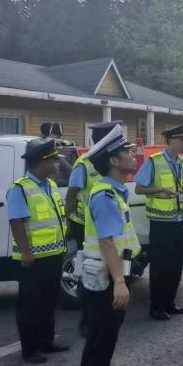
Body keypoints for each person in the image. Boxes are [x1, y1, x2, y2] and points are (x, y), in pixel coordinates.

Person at [79, 125, 143, 366]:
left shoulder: (114, 191)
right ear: (114, 161)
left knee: (106, 340)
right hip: (105, 280)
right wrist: (119, 282)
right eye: (128, 152)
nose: (133, 155)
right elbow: (106, 242)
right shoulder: (104, 195)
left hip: (113, 275)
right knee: (98, 344)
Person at [6, 139, 69, 364]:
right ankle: (30, 348)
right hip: (32, 259)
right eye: (54, 160)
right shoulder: (20, 189)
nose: (57, 164)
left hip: (53, 255)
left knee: (48, 301)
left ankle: (46, 340)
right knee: (30, 305)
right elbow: (17, 223)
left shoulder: (50, 185)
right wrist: (26, 252)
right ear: (42, 162)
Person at [66, 121, 124, 335]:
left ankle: (100, 313)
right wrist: (69, 223)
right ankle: (88, 319)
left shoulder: (110, 163)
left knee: (105, 271)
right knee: (90, 272)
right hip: (85, 225)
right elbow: (72, 195)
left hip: (104, 224)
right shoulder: (83, 164)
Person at [134, 124, 183, 321]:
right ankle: (157, 307)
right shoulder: (154, 161)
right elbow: (139, 188)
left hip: (178, 221)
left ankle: (170, 303)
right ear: (172, 140)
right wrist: (158, 190)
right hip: (160, 222)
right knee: (160, 266)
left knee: (176, 265)